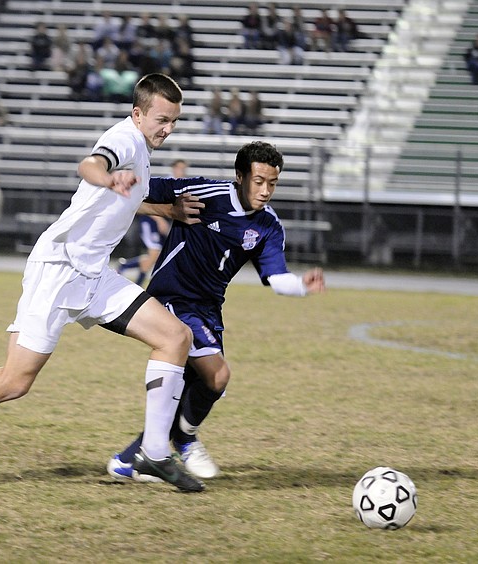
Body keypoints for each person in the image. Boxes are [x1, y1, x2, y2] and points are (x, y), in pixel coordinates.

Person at [0, 73, 205, 493]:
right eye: (162, 119)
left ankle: (154, 453)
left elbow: (121, 199)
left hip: (94, 273)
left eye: (174, 121)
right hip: (59, 268)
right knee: (14, 381)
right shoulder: (124, 140)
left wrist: (165, 210)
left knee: (175, 337)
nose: (169, 128)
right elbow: (91, 165)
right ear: (138, 113)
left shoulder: (141, 146)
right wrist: (105, 176)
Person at [107, 141, 326, 482]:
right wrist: (152, 201)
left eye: (272, 183)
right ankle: (184, 439)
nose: (266, 190)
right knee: (217, 375)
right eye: (258, 181)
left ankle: (130, 458)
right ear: (240, 177)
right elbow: (141, 188)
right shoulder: (203, 192)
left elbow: (276, 277)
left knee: (205, 384)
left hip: (208, 308)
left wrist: (301, 285)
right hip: (172, 298)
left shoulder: (268, 226)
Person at [118, 159, 186, 285]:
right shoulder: (168, 183)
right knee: (155, 253)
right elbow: (150, 204)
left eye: (183, 169)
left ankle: (127, 267)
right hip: (149, 221)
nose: (182, 172)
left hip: (156, 222)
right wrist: (160, 220)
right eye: (180, 168)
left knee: (154, 255)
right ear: (174, 168)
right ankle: (136, 282)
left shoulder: (179, 185)